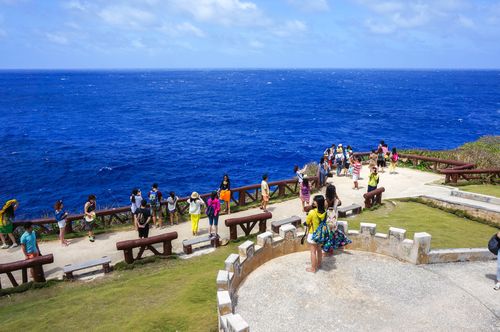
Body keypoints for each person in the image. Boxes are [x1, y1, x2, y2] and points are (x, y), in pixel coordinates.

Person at [305, 195, 327, 273]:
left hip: (313, 234)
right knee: (319, 250)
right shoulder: (325, 212)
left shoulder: (312, 212)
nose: (313, 202)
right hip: (321, 234)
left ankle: (313, 268)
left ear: (317, 203)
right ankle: (319, 264)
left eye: (314, 201)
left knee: (313, 252)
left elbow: (307, 222)